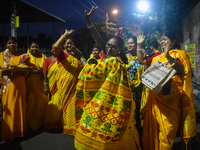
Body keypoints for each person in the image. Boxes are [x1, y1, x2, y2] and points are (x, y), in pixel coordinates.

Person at [74, 6, 141, 150]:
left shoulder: (115, 63)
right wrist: (88, 21)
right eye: (108, 46)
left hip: (115, 103)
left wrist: (86, 75)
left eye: (113, 47)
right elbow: (98, 39)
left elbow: (95, 76)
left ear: (120, 49)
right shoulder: (108, 59)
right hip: (103, 100)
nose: (109, 48)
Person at [142, 32, 196, 149]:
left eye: (165, 39)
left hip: (171, 99)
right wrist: (139, 45)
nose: (162, 41)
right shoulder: (156, 57)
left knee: (167, 131)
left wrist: (169, 58)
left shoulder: (179, 54)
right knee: (156, 128)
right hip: (157, 95)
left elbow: (182, 70)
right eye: (161, 40)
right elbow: (143, 62)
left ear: (173, 41)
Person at [53, 30, 86, 135]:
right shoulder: (62, 55)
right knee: (66, 105)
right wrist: (64, 35)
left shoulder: (76, 57)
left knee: (74, 105)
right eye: (67, 43)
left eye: (71, 43)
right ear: (64, 45)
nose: (69, 45)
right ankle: (67, 126)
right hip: (64, 85)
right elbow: (55, 47)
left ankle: (74, 126)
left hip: (75, 84)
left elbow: (83, 68)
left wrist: (80, 55)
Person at [0, 36, 30, 141]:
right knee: (9, 107)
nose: (12, 45)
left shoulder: (22, 56)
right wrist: (3, 72)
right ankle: (9, 132)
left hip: (20, 83)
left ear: (17, 45)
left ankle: (19, 132)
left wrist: (19, 71)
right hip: (8, 84)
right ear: (6, 45)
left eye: (14, 43)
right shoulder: (1, 56)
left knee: (20, 107)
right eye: (9, 43)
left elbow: (27, 70)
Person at [26, 41, 48, 132]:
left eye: (36, 47)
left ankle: (41, 123)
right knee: (30, 104)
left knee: (41, 103)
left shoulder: (43, 57)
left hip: (40, 83)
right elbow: (21, 68)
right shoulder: (26, 57)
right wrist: (31, 71)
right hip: (30, 83)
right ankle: (30, 124)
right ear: (29, 48)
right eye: (32, 47)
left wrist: (41, 72)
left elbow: (47, 68)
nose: (34, 49)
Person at [43, 44, 61, 129]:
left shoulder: (62, 59)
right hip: (51, 85)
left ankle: (59, 123)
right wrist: (45, 85)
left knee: (59, 103)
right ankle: (51, 123)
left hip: (60, 85)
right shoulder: (48, 60)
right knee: (51, 103)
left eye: (56, 48)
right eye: (53, 48)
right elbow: (45, 74)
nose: (54, 50)